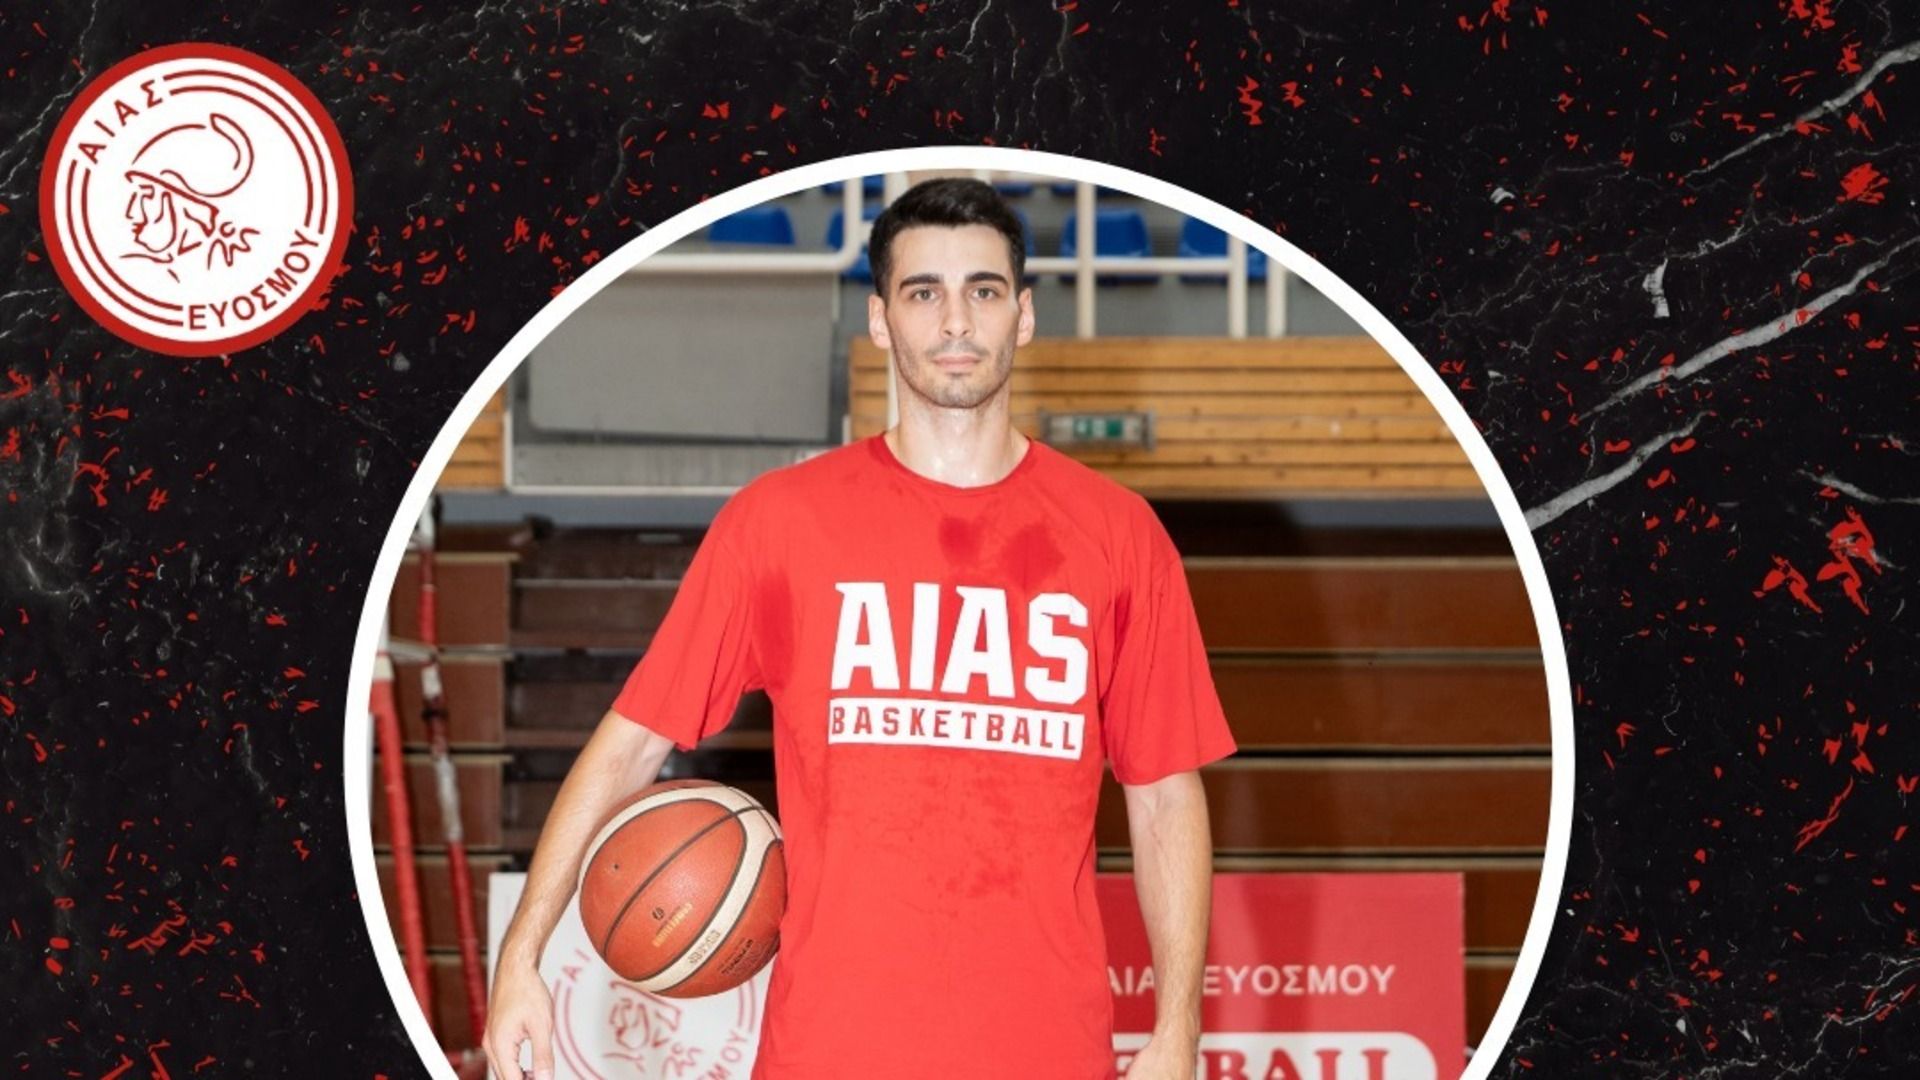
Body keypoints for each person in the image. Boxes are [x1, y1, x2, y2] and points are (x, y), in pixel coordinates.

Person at [484, 177, 1237, 1080]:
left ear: (1025, 314)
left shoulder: (1119, 536)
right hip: (829, 1050)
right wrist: (520, 956)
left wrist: (1178, 1028)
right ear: (881, 320)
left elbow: (1165, 797)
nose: (955, 321)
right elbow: (631, 744)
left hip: (1046, 1050)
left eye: (984, 290)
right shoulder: (780, 523)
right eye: (923, 293)